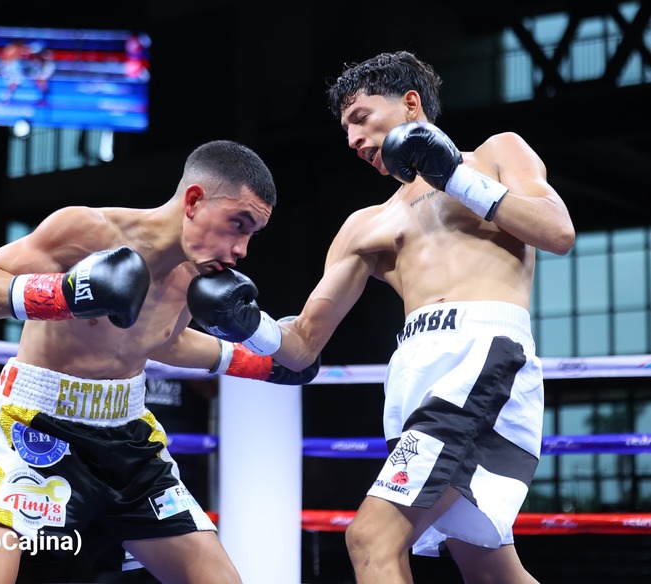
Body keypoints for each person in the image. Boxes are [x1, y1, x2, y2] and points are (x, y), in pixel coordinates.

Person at [186, 51, 576, 583]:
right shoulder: (365, 226)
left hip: (481, 358)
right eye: (345, 129)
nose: (352, 139)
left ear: (411, 104)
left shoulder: (495, 154)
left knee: (371, 538)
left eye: (361, 118)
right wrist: (246, 324)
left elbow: (557, 232)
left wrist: (454, 177)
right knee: (488, 567)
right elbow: (302, 345)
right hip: (414, 375)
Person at [0, 139, 320, 584]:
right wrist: (65, 293)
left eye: (251, 234)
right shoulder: (90, 231)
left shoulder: (196, 278)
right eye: (238, 224)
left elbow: (163, 342)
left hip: (128, 439)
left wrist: (260, 364)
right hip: (35, 427)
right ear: (194, 201)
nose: (242, 249)